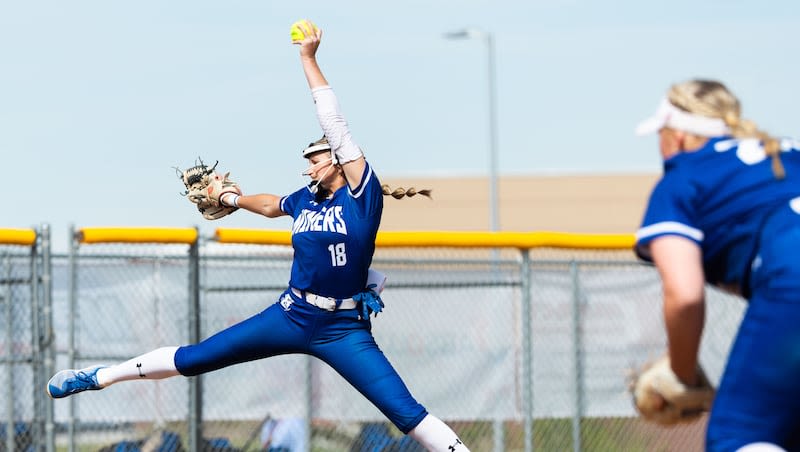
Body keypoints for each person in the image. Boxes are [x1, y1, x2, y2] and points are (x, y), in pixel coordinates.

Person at [46, 20, 468, 452]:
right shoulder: (308, 199)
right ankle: (98, 377)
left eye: (315, 159)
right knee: (196, 359)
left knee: (406, 413)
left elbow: (333, 121)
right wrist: (232, 198)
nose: (308, 167)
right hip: (290, 314)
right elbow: (271, 206)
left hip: (343, 329)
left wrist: (308, 59)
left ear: (340, 162)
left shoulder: (362, 197)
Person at [634, 79, 800, 451]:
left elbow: (685, 294)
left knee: (739, 438)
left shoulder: (682, 179)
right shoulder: (787, 152)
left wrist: (681, 373)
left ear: (675, 136)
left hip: (794, 276)